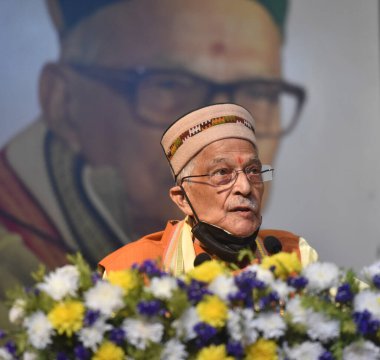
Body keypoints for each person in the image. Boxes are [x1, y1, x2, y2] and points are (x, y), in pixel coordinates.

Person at [0, 0, 306, 326]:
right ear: (64, 101)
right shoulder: (120, 270)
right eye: (169, 84)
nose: (218, 130)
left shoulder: (292, 255)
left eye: (258, 91)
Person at [100, 103, 317, 275]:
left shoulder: (293, 256)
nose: (245, 187)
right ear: (182, 198)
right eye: (222, 173)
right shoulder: (134, 271)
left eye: (253, 171)